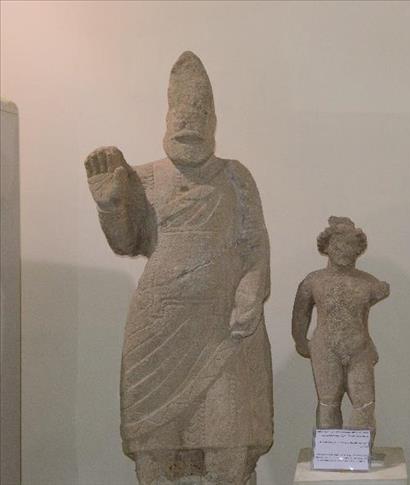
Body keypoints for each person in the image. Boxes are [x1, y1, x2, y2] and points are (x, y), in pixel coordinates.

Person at [84, 51, 272, 485]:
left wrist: (251, 288)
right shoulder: (144, 177)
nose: (190, 124)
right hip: (159, 327)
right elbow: (127, 242)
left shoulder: (235, 176)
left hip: (221, 327)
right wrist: (110, 206)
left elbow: (255, 243)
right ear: (167, 121)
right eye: (182, 116)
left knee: (227, 442)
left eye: (200, 116)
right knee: (154, 450)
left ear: (213, 124)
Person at [292, 217, 390, 438]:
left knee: (364, 402)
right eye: (338, 244)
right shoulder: (313, 281)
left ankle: (358, 451)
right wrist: (301, 341)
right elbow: (300, 314)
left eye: (350, 245)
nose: (344, 251)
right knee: (328, 402)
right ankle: (330, 451)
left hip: (359, 348)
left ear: (358, 249)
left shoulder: (369, 283)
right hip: (325, 348)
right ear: (327, 247)